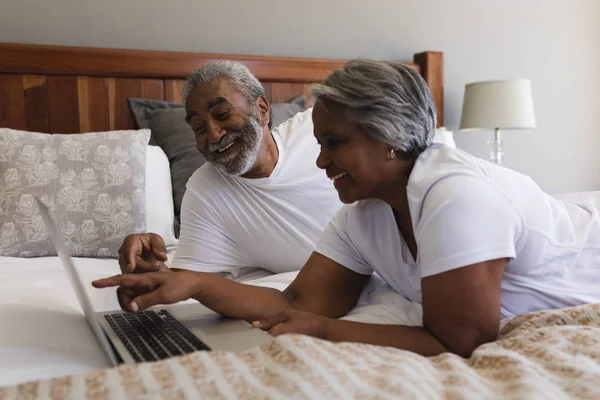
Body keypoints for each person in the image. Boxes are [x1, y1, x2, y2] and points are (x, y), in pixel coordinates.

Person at [94, 59, 600, 358]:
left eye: (334, 143)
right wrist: (194, 284)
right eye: (319, 143)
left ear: (392, 140)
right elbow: (297, 303)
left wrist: (324, 331)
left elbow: (461, 339)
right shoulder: (363, 215)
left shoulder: (454, 195)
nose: (320, 160)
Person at [119, 61, 343, 282]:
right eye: (199, 128)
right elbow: (184, 283)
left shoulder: (316, 131)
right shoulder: (205, 191)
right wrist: (150, 267)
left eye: (223, 113)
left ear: (262, 110)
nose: (214, 136)